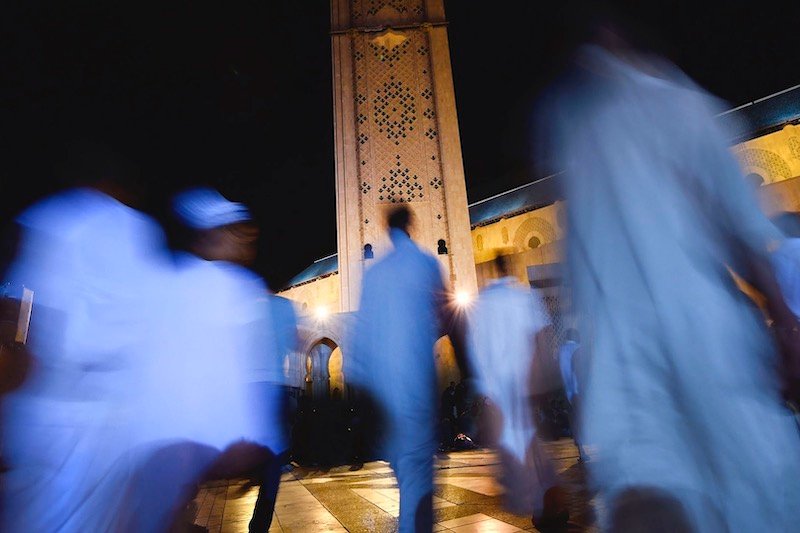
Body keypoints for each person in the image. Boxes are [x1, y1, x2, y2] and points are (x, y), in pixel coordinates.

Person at [541, 10, 800, 532]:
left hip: (626, 368)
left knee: (650, 496)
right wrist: (786, 329)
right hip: (710, 348)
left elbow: (576, 283)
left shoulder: (571, 133)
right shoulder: (680, 105)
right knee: (750, 493)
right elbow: (742, 234)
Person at [0, 140, 173, 531]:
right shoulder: (138, 231)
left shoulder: (50, 220)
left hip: (53, 415)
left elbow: (24, 320)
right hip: (112, 423)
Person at [347, 205, 457, 533]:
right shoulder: (424, 263)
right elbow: (449, 314)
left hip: (381, 395)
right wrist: (469, 369)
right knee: (417, 479)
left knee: (407, 473)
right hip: (415, 388)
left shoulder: (374, 274)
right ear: (410, 225)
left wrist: (358, 398)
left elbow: (361, 336)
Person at [466, 253, 568, 528]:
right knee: (530, 443)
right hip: (526, 384)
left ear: (491, 273)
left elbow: (476, 347)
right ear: (510, 269)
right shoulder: (524, 296)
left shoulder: (483, 304)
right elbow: (540, 337)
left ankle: (545, 504)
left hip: (500, 390)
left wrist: (483, 388)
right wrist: (542, 379)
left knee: (518, 446)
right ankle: (549, 503)